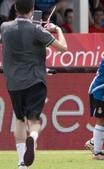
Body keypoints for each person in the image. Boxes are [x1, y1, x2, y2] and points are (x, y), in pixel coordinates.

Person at [0, 0, 67, 168]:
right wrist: (57, 29)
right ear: (32, 9)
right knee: (34, 120)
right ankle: (33, 138)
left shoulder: (5, 28)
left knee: (20, 120)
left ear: (15, 8)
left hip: (14, 83)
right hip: (35, 81)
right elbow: (63, 48)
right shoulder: (37, 30)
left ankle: (22, 162)